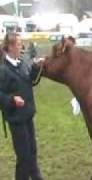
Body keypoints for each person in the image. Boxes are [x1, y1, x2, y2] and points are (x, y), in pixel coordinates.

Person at [0, 33, 43, 180]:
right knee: (24, 157)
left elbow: (29, 79)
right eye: (18, 44)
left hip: (28, 115)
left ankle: (36, 177)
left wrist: (36, 68)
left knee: (32, 152)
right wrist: (12, 99)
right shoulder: (3, 69)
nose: (21, 47)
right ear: (11, 47)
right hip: (16, 119)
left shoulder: (22, 62)